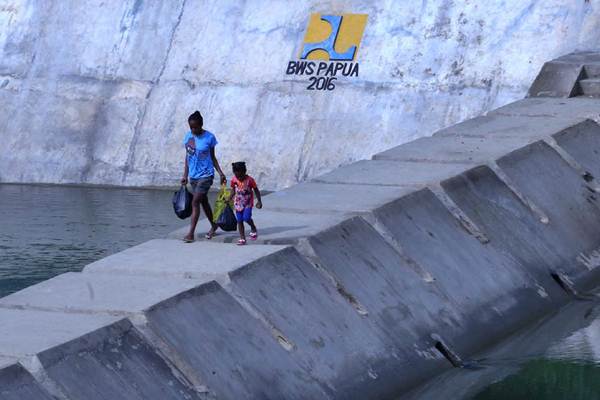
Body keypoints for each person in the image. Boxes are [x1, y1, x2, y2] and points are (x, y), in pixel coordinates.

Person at [180, 111, 226, 242]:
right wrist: (185, 175)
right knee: (203, 202)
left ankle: (190, 234)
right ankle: (214, 225)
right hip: (193, 176)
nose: (193, 130)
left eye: (195, 127)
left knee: (195, 202)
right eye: (191, 127)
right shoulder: (188, 137)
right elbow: (187, 157)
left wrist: (220, 173)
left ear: (201, 125)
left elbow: (213, 157)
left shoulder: (209, 137)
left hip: (206, 175)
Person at [229, 161, 262, 245]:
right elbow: (233, 190)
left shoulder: (250, 180)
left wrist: (259, 201)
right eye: (237, 175)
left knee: (246, 218)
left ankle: (253, 227)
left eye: (240, 176)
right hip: (238, 203)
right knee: (239, 220)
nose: (239, 178)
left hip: (247, 203)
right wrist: (229, 198)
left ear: (244, 172)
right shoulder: (233, 180)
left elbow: (256, 190)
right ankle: (242, 238)